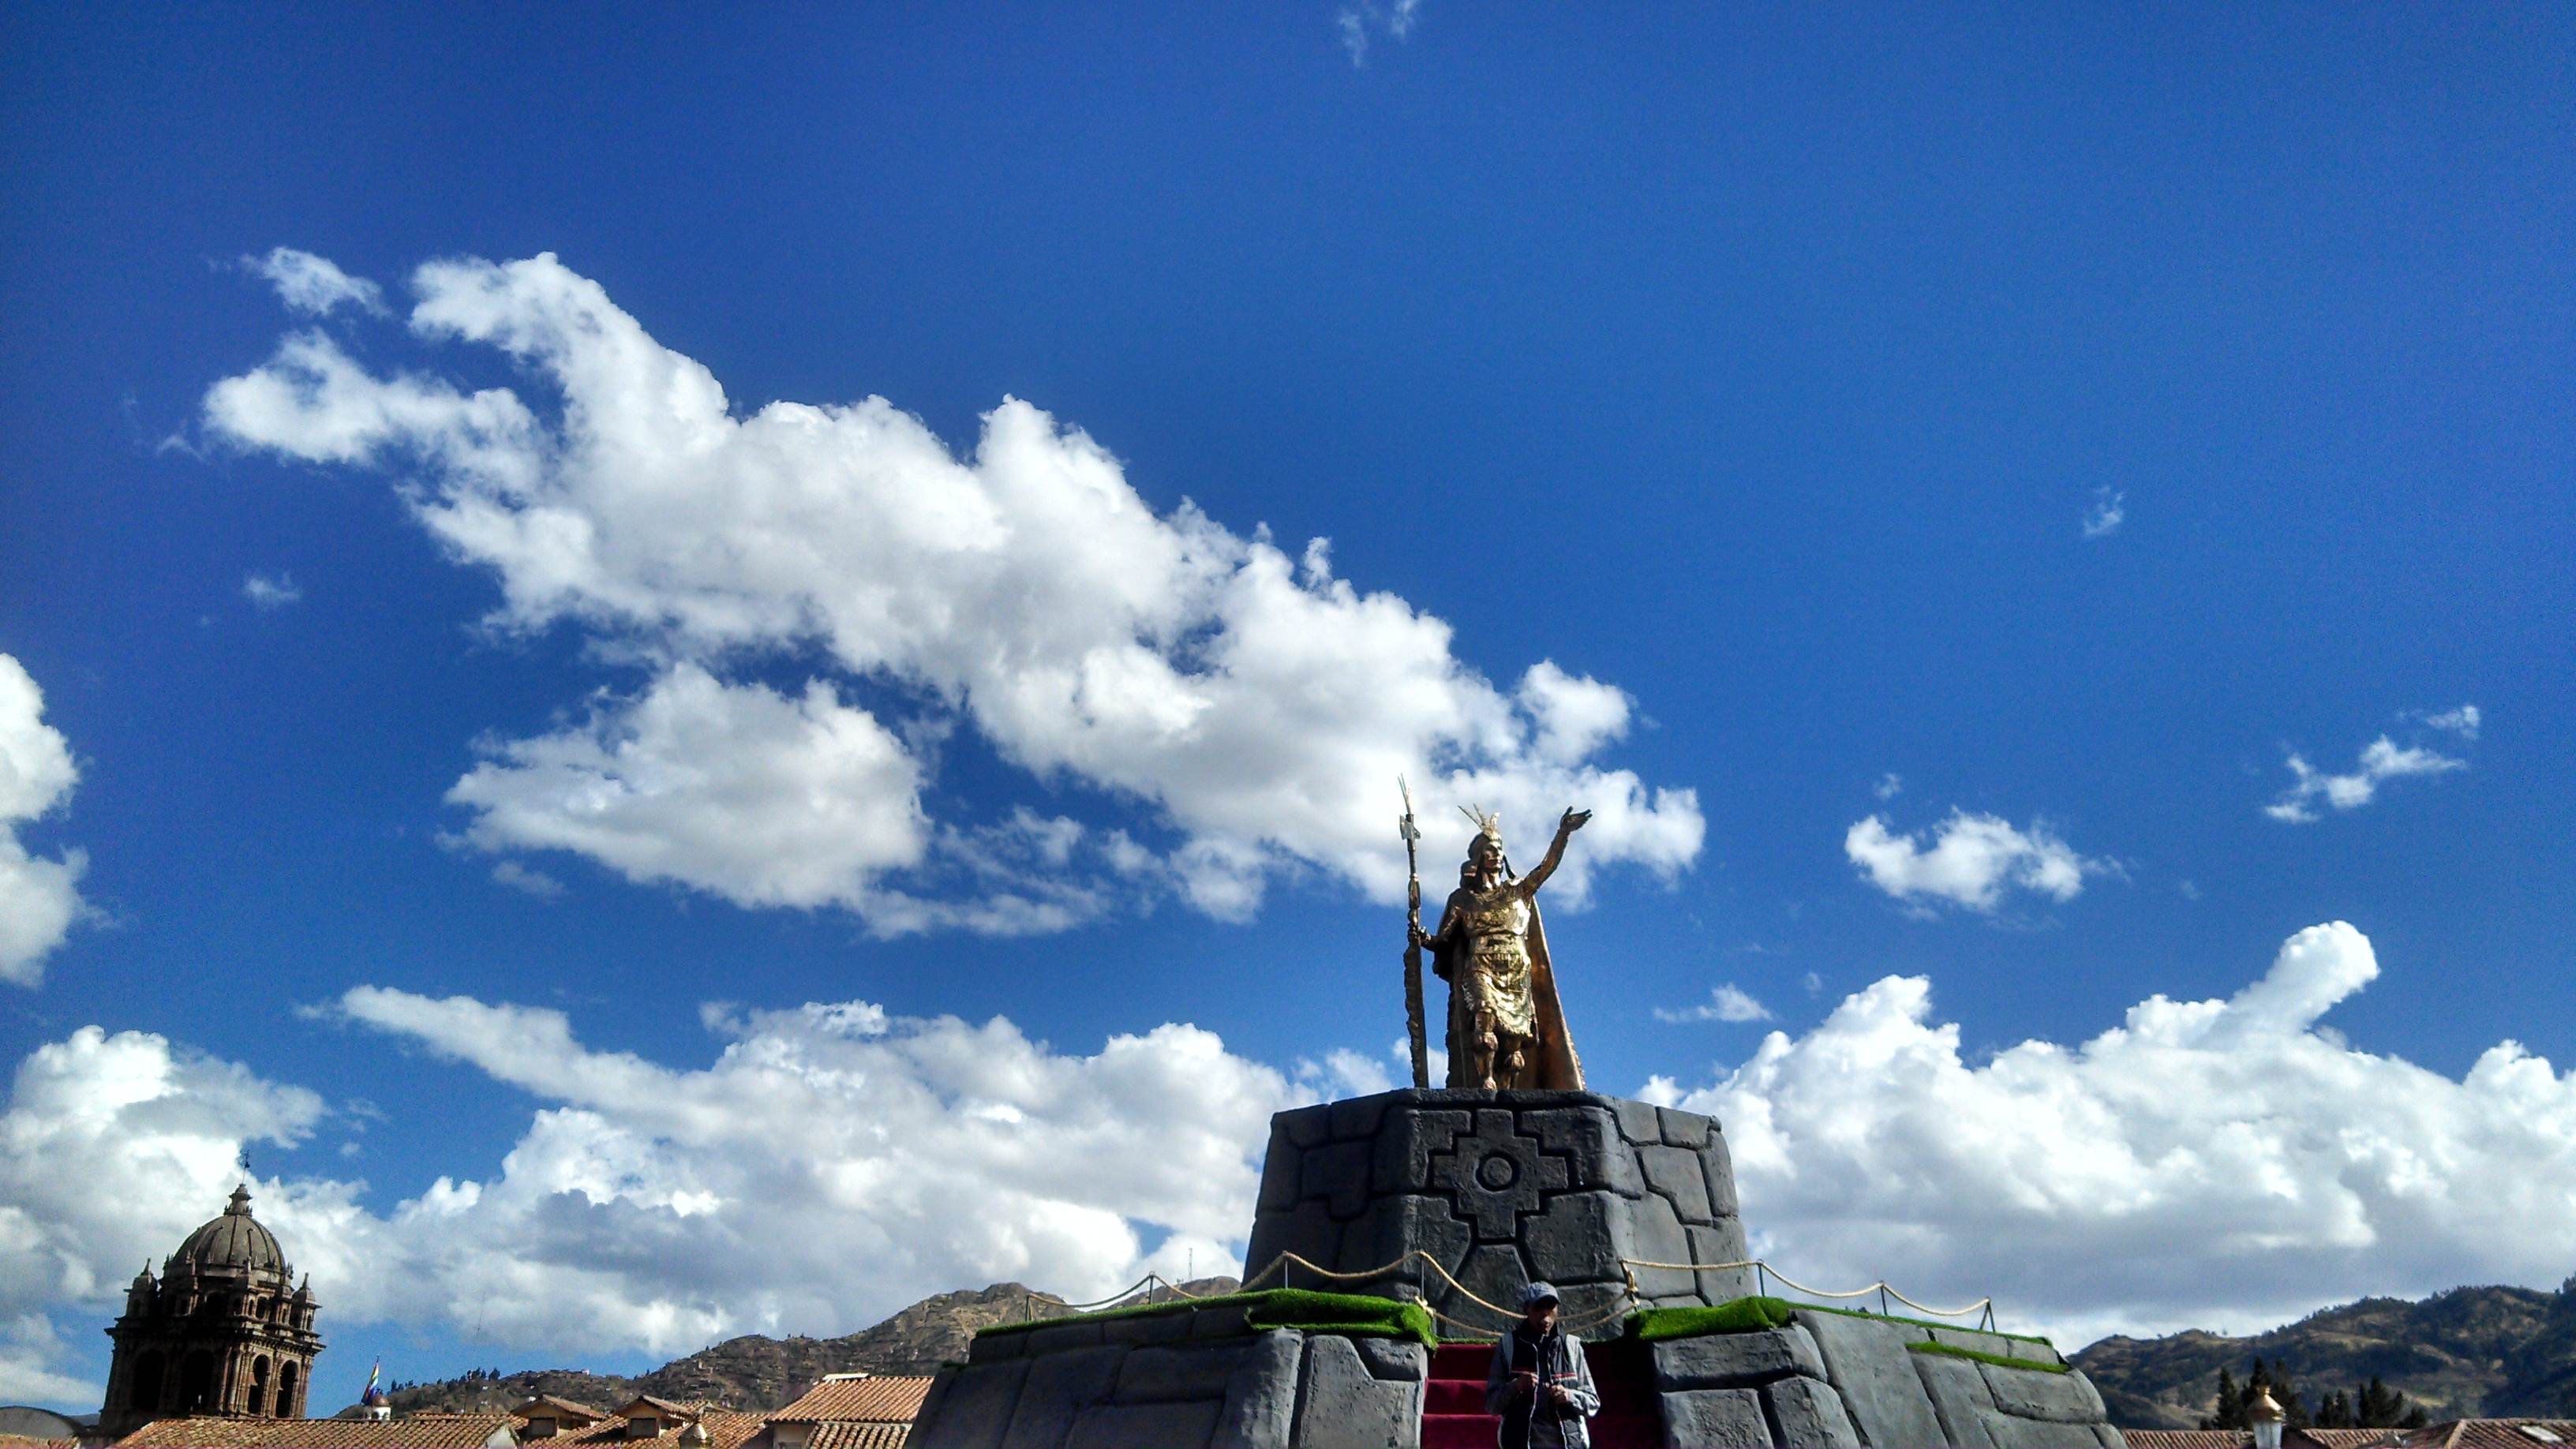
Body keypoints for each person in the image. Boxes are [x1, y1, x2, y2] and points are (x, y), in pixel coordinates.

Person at [1416, 807, 1589, 1089]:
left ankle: (1509, 1091)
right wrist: (1422, 937)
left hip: (1515, 968)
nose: (1496, 854)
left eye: (1499, 849)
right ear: (1478, 856)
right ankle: (1485, 1082)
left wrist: (1562, 834)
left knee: (1512, 1041)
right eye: (1490, 849)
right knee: (1483, 1014)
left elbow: (1546, 868)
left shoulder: (1518, 890)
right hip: (1480, 965)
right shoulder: (1462, 899)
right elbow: (1442, 940)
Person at [1485, 1281, 1599, 1449]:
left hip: (1569, 1443)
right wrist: (1516, 1386)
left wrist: (1569, 1395)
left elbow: (1592, 1403)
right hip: (1521, 1442)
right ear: (1526, 1309)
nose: (1545, 1314)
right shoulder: (1508, 1345)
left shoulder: (1572, 1346)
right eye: (1539, 1307)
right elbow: (1492, 1405)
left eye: (1551, 1307)